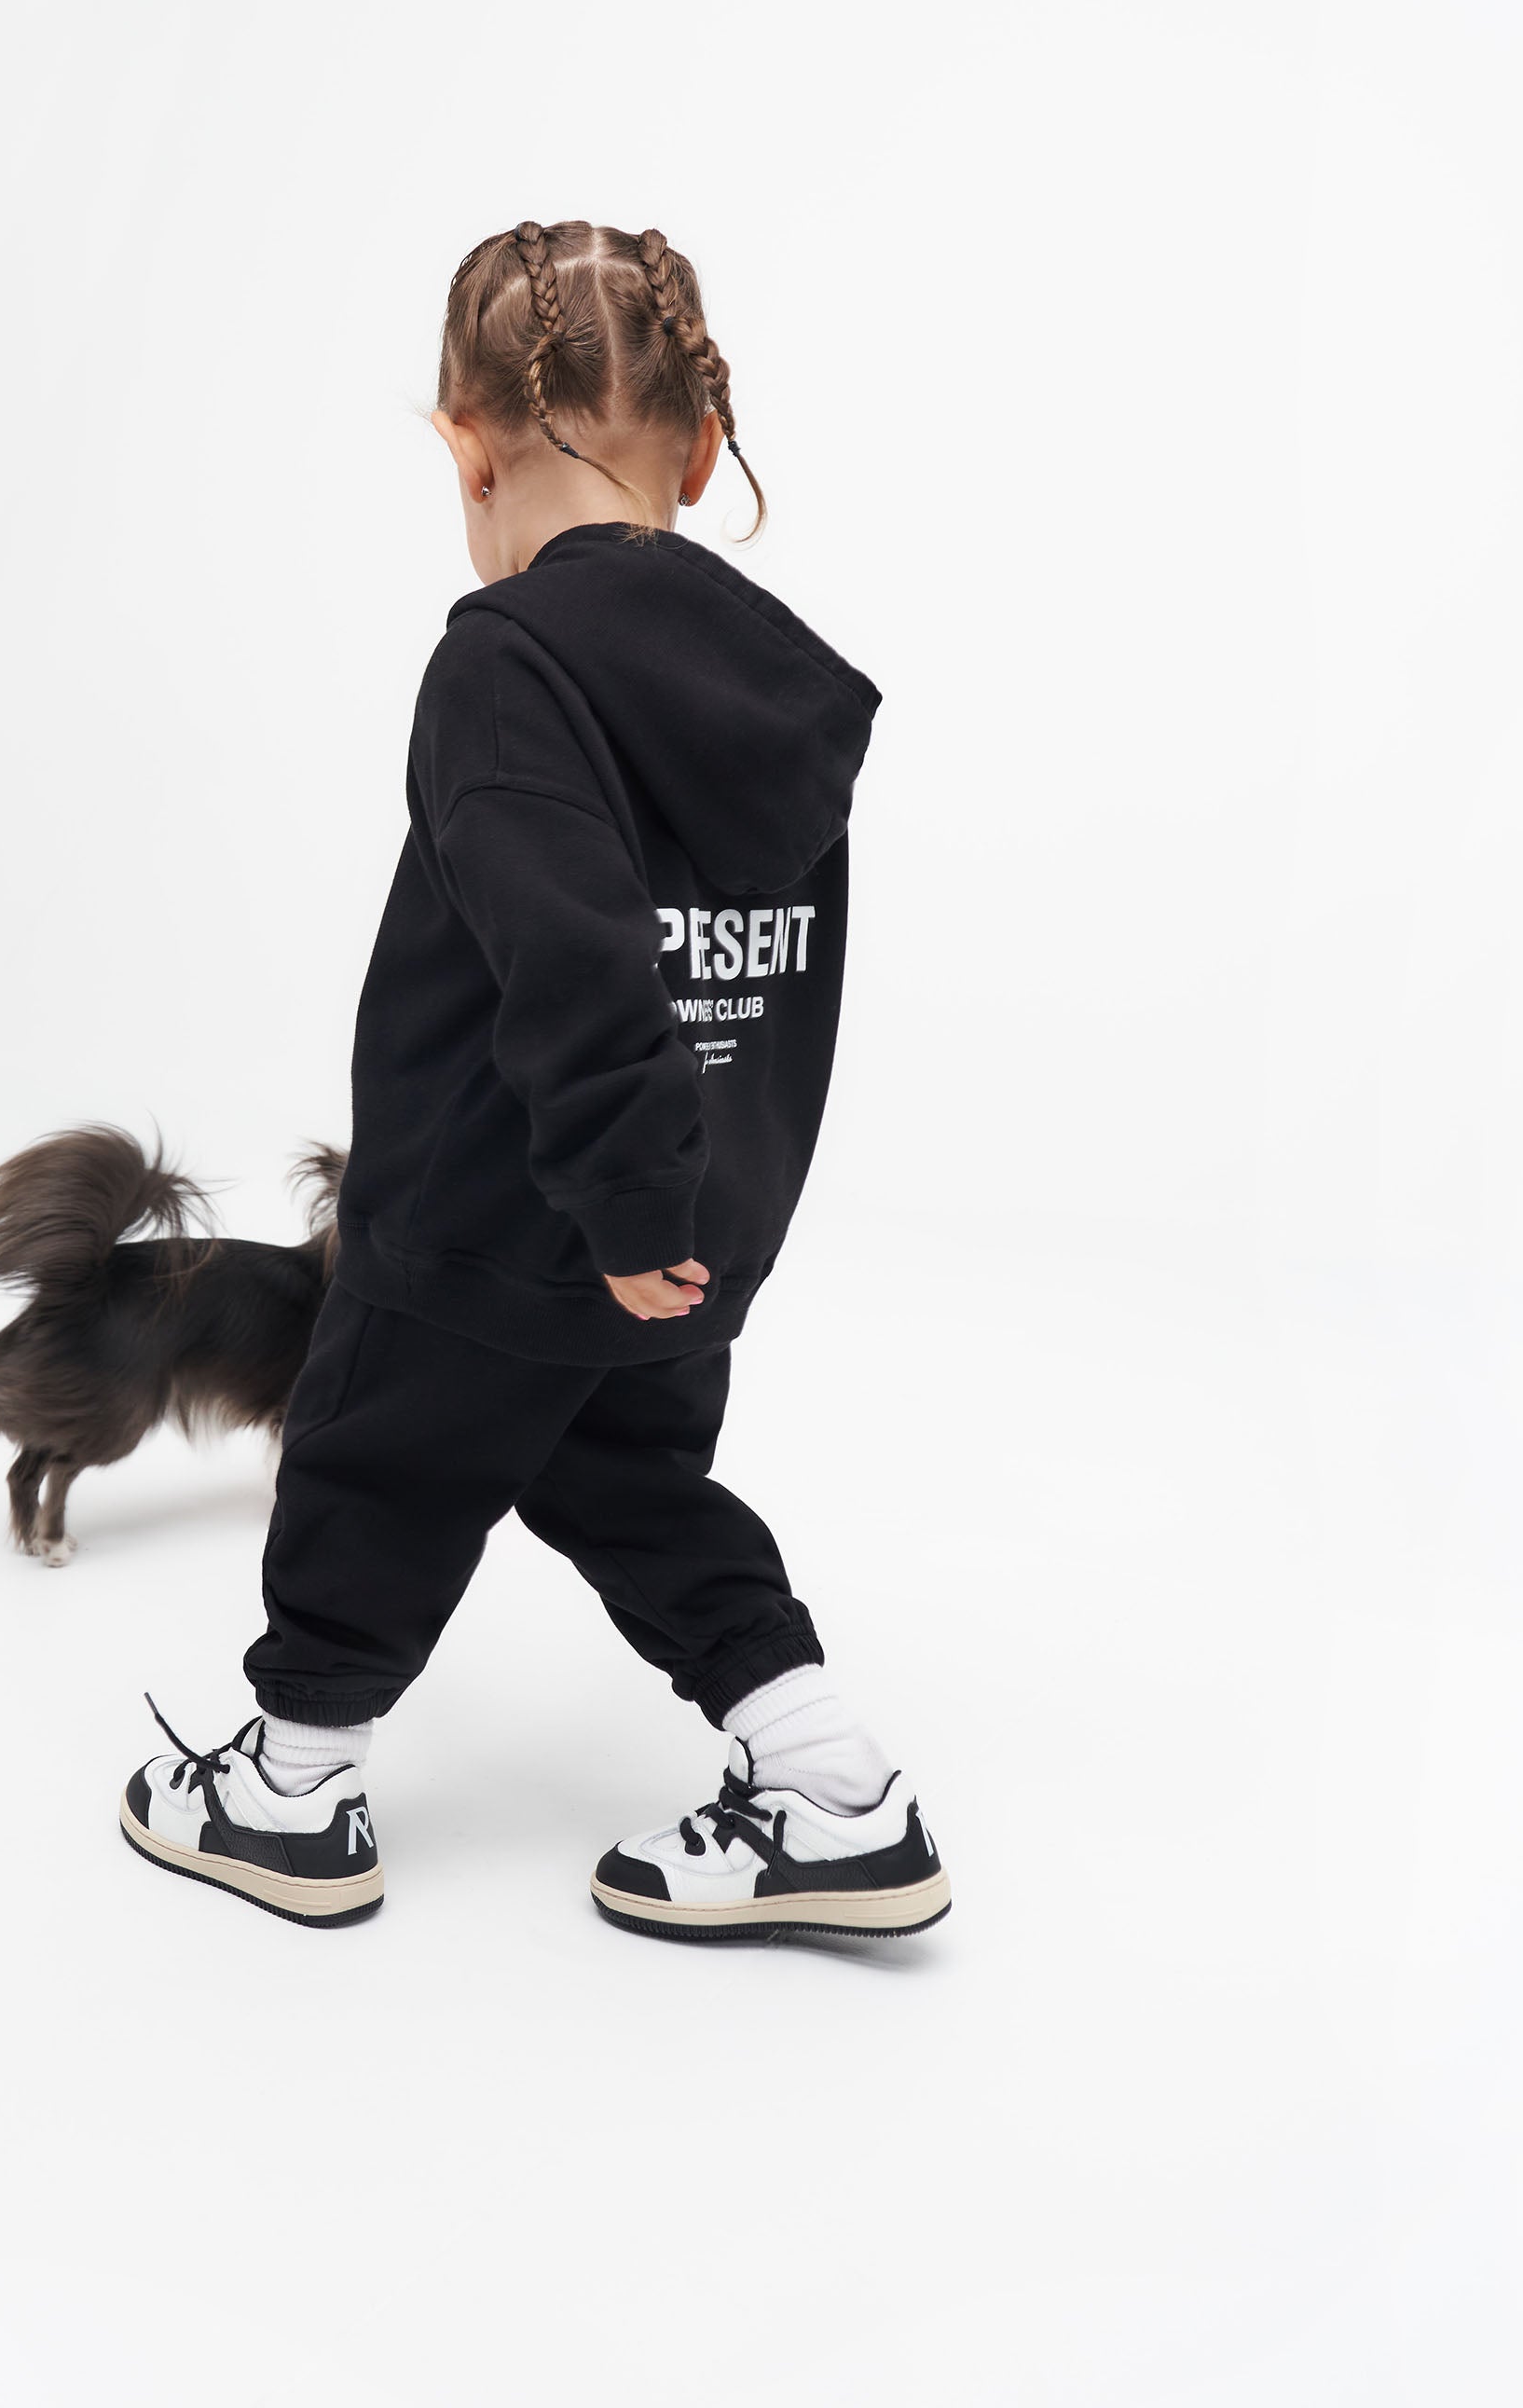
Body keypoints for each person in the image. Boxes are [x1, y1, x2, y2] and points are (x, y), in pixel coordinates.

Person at [119, 220, 949, 1944]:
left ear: (466, 449)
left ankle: (288, 1790)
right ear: (702, 453)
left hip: (498, 1222)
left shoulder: (506, 669)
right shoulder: (774, 697)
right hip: (692, 1231)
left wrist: (622, 1197)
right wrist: (674, 1207)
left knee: (368, 1469)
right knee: (629, 1486)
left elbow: (573, 953)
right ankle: (835, 1787)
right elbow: (754, 961)